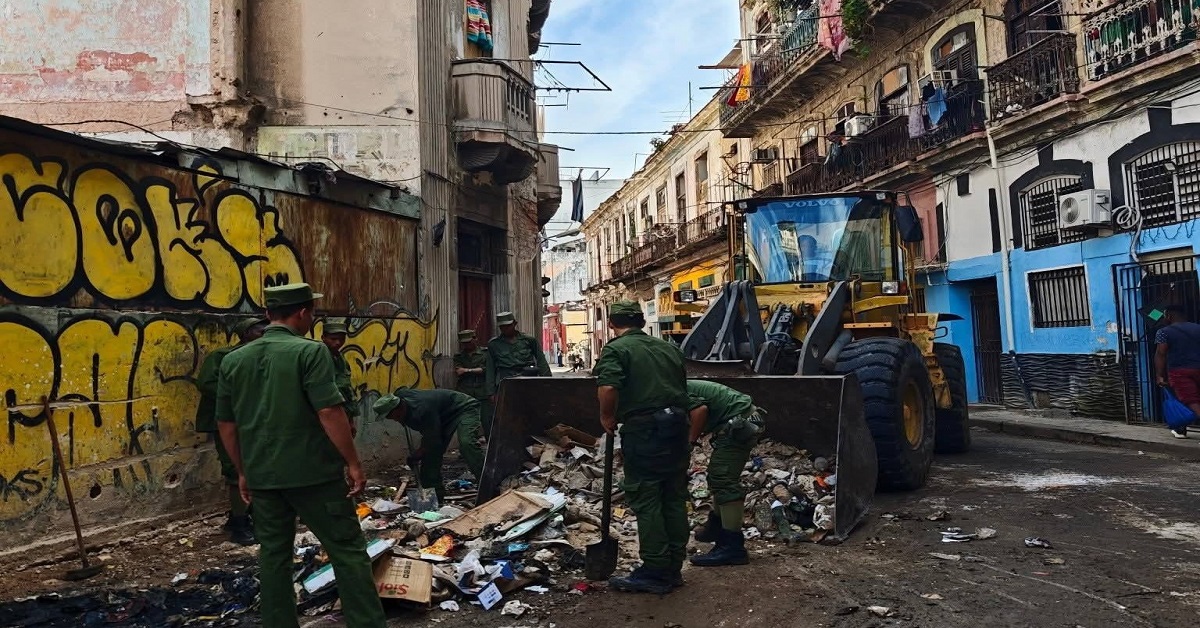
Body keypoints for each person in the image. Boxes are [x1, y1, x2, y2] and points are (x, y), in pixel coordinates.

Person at [216, 283, 386, 628]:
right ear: (304, 313)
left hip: (263, 476)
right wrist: (353, 462)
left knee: (274, 556)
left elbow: (226, 424)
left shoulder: (233, 360)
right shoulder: (310, 353)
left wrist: (243, 471)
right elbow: (329, 411)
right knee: (347, 550)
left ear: (267, 314)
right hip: (315, 476)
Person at [593, 300, 691, 594]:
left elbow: (608, 387)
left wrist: (607, 416)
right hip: (676, 427)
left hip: (645, 430)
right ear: (642, 322)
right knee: (673, 496)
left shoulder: (616, 349)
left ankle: (656, 570)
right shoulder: (669, 348)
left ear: (612, 323)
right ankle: (673, 567)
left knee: (647, 496)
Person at [195, 316, 268, 546]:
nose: (265, 333)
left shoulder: (263, 357)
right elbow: (206, 384)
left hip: (253, 422)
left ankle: (248, 516)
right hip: (228, 422)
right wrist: (238, 398)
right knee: (236, 471)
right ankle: (239, 524)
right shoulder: (223, 356)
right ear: (246, 333)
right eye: (259, 330)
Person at [685, 379, 766, 566]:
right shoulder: (673, 384)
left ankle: (732, 547)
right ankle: (716, 526)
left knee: (724, 479)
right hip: (739, 419)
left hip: (740, 423)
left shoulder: (672, 389)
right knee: (718, 476)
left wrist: (690, 443)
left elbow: (700, 410)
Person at [372, 388, 485, 498]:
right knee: (430, 454)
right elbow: (431, 438)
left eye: (390, 416)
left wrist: (418, 454)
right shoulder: (402, 399)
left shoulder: (423, 409)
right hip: (441, 416)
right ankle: (434, 495)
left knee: (467, 443)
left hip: (464, 408)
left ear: (398, 409)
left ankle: (487, 483)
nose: (393, 419)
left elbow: (432, 439)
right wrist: (421, 452)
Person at [485, 311, 551, 408]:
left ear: (514, 324)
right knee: (509, 411)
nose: (505, 329)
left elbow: (541, 361)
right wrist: (491, 392)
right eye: (502, 327)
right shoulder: (494, 344)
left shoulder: (529, 340)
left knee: (532, 408)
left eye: (508, 326)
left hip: (528, 381)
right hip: (507, 382)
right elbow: (490, 369)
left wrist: (547, 382)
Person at [1155, 305, 1200, 438]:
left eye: (1164, 315)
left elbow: (1160, 354)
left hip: (1179, 371)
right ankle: (1181, 429)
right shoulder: (1198, 328)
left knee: (1189, 400)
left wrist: (1159, 375)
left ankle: (1181, 429)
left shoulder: (1164, 332)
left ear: (1169, 316)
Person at [322, 318, 359, 432]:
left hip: (343, 415)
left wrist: (350, 421)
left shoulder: (342, 361)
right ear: (323, 338)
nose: (338, 342)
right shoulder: (319, 359)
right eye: (333, 339)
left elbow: (348, 390)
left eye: (341, 339)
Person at [453, 329, 492, 433]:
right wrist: (475, 370)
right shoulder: (459, 356)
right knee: (467, 421)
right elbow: (458, 371)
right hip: (465, 392)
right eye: (464, 343)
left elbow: (485, 370)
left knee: (487, 421)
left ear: (475, 339)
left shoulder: (485, 353)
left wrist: (467, 370)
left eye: (468, 342)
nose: (467, 345)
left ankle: (490, 445)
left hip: (482, 391)